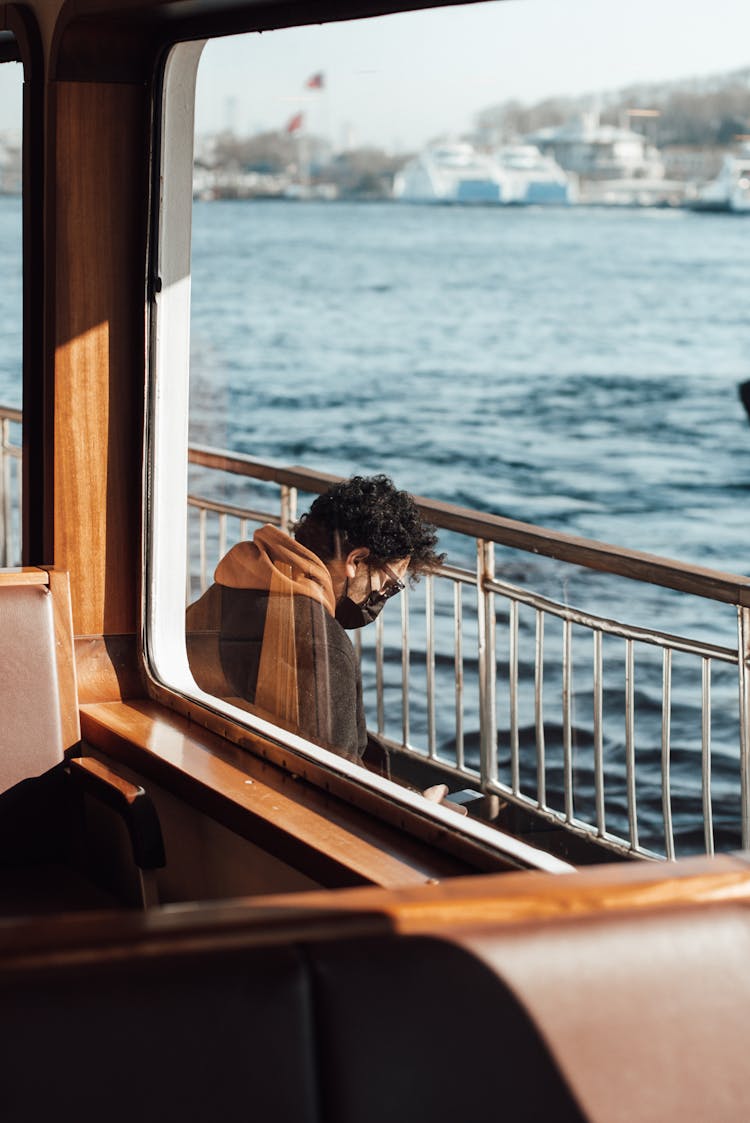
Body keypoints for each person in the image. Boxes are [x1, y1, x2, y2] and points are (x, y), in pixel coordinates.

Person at [186, 475, 444, 768]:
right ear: (355, 560)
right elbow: (341, 786)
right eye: (389, 585)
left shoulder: (223, 593)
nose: (382, 597)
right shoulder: (324, 645)